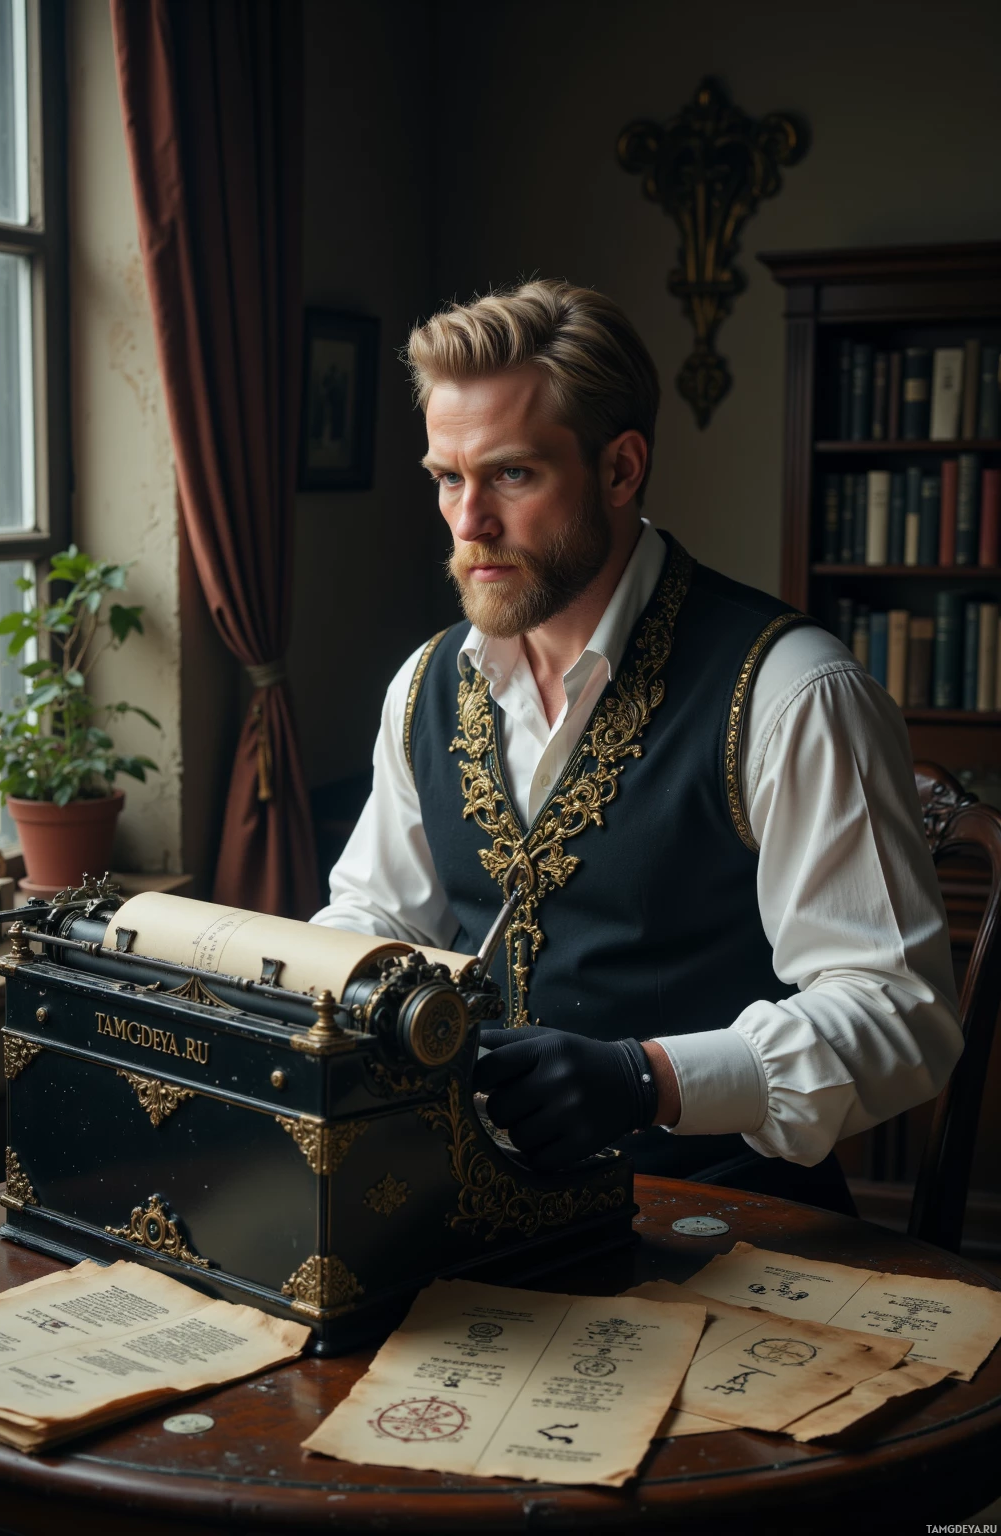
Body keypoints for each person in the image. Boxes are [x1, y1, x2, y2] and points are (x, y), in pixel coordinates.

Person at [311, 279, 962, 1215]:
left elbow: (901, 1013)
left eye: (512, 475)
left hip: (724, 1220)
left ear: (620, 470)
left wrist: (648, 1077)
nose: (467, 524)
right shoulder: (424, 684)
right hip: (468, 1211)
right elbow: (372, 923)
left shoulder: (795, 692)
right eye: (448, 479)